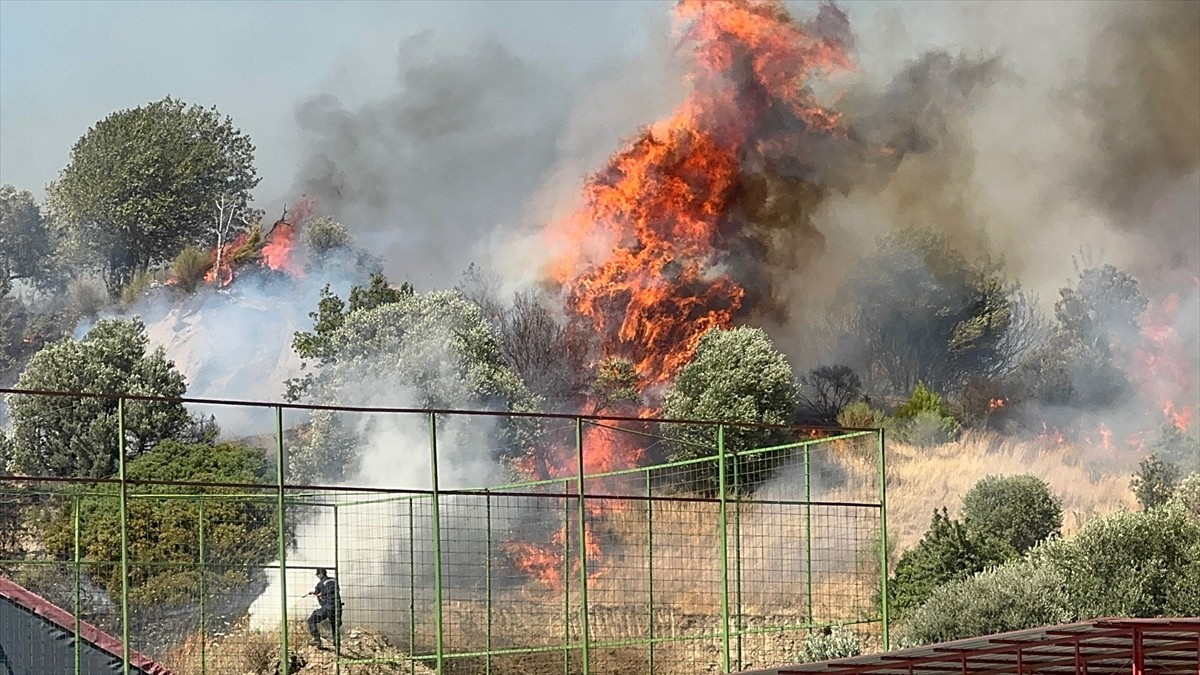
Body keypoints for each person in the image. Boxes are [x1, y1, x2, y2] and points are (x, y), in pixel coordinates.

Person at [305, 567, 343, 648]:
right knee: (335, 625)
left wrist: (315, 593)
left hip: (328, 607)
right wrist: (321, 593)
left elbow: (318, 592)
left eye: (318, 575)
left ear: (320, 574)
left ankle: (317, 639)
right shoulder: (334, 580)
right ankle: (337, 646)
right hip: (338, 606)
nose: (318, 577)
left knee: (311, 620)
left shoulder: (320, 584)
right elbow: (332, 591)